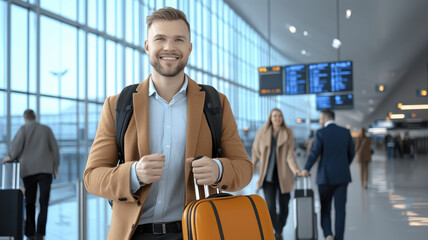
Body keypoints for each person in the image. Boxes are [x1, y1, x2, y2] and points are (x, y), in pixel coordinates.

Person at [83, 7, 253, 240]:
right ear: (147, 46)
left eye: (178, 40)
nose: (169, 47)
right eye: (160, 39)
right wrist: (134, 174)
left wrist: (219, 169)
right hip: (134, 233)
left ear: (189, 48)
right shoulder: (117, 105)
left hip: (197, 231)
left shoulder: (215, 103)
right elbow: (92, 177)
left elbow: (244, 169)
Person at [3, 109, 60, 240]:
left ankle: (29, 232)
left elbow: (15, 148)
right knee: (44, 202)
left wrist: (10, 157)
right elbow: (55, 149)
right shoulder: (46, 129)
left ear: (25, 118)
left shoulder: (23, 129)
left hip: (28, 170)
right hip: (46, 170)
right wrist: (55, 167)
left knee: (30, 202)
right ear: (35, 117)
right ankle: (40, 233)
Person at [299, 109, 354, 240]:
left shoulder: (321, 133)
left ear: (324, 118)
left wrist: (306, 169)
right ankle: (339, 237)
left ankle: (328, 235)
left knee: (325, 208)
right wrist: (343, 165)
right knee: (340, 210)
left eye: (320, 118)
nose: (319, 120)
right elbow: (351, 153)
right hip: (342, 177)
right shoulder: (345, 132)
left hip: (325, 177)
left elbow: (315, 153)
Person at [251, 108, 301, 240]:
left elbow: (290, 155)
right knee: (270, 206)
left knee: (285, 205)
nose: (277, 118)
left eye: (279, 116)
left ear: (282, 118)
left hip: (283, 175)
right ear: (270, 118)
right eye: (274, 116)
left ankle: (279, 228)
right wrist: (250, 166)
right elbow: (255, 152)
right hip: (267, 176)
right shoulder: (262, 133)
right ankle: (278, 232)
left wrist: (296, 170)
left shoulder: (287, 132)